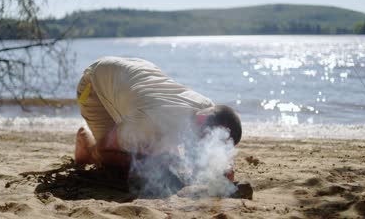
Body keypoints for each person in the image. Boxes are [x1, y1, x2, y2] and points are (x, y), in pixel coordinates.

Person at [74, 56, 242, 181]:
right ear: (201, 119)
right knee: (120, 163)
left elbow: (207, 143)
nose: (208, 147)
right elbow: (105, 148)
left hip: (135, 70)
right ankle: (85, 142)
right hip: (94, 84)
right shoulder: (151, 123)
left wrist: (222, 166)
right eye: (207, 140)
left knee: (160, 156)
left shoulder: (206, 106)